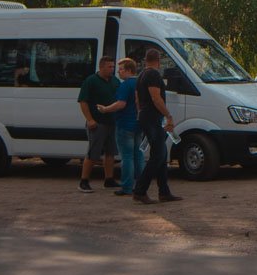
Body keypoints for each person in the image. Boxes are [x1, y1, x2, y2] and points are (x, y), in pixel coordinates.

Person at [132, 48, 183, 204]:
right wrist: (168, 115)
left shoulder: (141, 75)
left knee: (161, 153)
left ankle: (164, 191)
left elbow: (137, 99)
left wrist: (140, 113)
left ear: (146, 59)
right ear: (158, 61)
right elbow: (156, 98)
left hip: (146, 116)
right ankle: (140, 190)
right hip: (152, 117)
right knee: (158, 155)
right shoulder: (153, 75)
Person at [95, 57, 144, 196]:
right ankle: (141, 184)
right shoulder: (140, 83)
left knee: (127, 157)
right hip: (138, 124)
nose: (118, 72)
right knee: (138, 156)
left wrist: (105, 109)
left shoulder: (125, 85)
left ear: (128, 70)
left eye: (121, 69)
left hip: (125, 124)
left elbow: (121, 104)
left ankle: (127, 186)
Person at [76, 56, 120, 192]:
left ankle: (109, 179)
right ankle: (84, 181)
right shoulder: (91, 81)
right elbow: (83, 102)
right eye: (109, 67)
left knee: (110, 152)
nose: (112, 69)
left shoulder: (115, 81)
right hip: (97, 122)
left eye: (113, 67)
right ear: (101, 67)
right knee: (93, 153)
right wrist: (90, 119)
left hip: (112, 122)